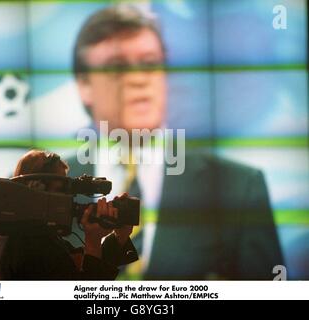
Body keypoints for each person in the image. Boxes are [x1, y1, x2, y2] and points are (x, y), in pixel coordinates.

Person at [68, 5, 284, 279]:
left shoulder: (239, 189)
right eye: (118, 66)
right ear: (84, 85)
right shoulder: (46, 189)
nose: (138, 79)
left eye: (149, 63)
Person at [0, 149, 138, 280]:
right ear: (37, 188)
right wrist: (92, 240)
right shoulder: (23, 241)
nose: (67, 198)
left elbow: (82, 265)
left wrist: (120, 236)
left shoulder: (28, 231)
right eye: (61, 189)